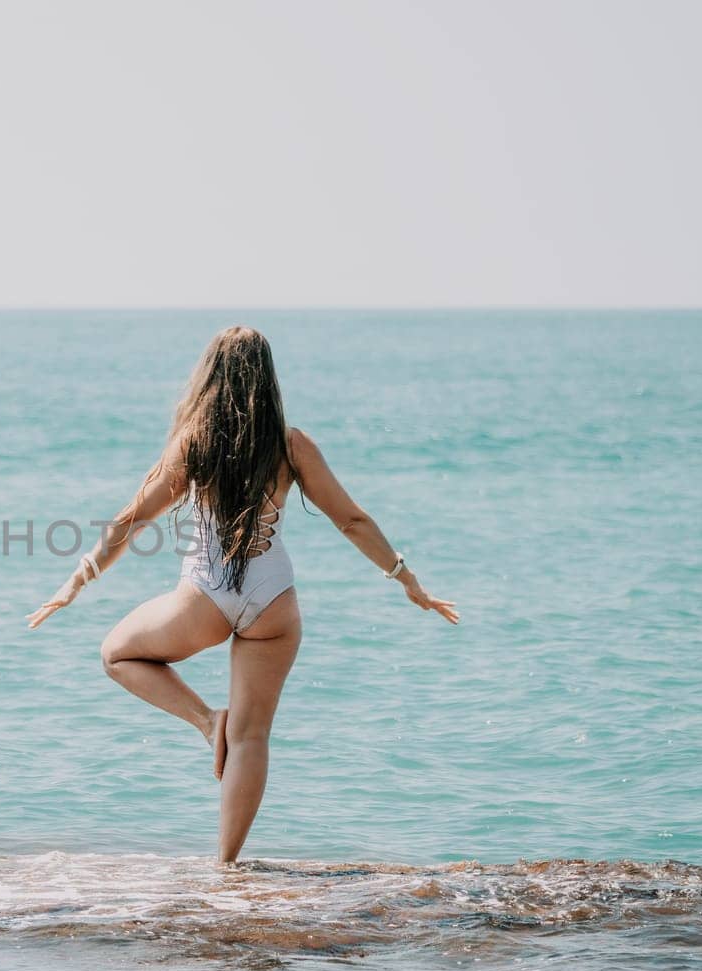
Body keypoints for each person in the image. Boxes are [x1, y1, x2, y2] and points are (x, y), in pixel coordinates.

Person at [26, 326, 458, 863]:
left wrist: (79, 578)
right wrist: (407, 579)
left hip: (205, 595)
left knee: (116, 652)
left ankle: (208, 722)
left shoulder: (194, 441)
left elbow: (131, 518)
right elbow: (350, 519)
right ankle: (226, 866)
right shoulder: (291, 444)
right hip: (272, 597)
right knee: (252, 738)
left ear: (211, 377)